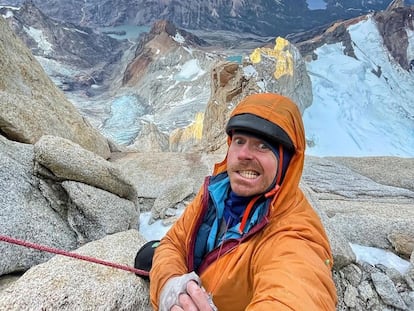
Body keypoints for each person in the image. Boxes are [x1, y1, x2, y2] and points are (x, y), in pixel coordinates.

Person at [148, 93, 337, 310]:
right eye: (239, 141)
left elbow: (295, 293)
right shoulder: (215, 194)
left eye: (263, 146)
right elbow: (173, 244)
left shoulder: (295, 234)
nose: (244, 154)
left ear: (286, 162)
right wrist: (170, 285)